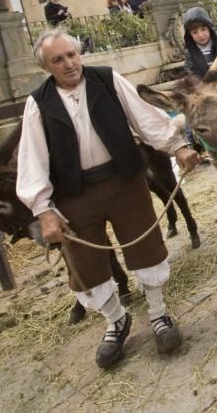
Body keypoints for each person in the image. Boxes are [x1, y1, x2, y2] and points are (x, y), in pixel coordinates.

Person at [16, 29, 199, 369]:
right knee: (85, 264)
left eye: (72, 54)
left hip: (124, 181)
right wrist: (44, 211)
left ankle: (159, 315)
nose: (69, 63)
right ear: (46, 66)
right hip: (74, 194)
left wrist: (179, 146)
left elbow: (145, 119)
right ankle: (116, 320)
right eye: (58, 59)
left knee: (145, 247)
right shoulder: (38, 104)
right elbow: (33, 159)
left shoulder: (107, 80)